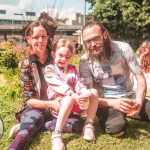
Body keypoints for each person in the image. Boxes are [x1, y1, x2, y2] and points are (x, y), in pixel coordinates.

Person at [9, 21, 85, 150]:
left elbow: (71, 78)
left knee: (77, 124)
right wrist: (49, 104)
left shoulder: (56, 55)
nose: (40, 41)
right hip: (38, 107)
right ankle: (28, 125)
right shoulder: (27, 63)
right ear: (28, 39)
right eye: (36, 37)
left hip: (58, 108)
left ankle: (41, 125)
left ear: (48, 37)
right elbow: (29, 100)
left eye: (44, 36)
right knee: (24, 134)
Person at [79, 21, 150, 138]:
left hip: (129, 97)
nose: (92, 44)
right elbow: (90, 96)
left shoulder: (123, 48)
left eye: (96, 38)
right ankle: (118, 118)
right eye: (87, 41)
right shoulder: (84, 61)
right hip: (106, 103)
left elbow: (140, 79)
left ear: (105, 35)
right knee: (117, 129)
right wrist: (114, 103)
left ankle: (125, 113)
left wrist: (139, 101)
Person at [44, 38, 99, 150]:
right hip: (60, 103)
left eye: (67, 56)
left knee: (94, 92)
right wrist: (74, 95)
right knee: (69, 98)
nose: (63, 59)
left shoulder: (73, 69)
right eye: (60, 55)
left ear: (71, 57)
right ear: (53, 54)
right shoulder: (50, 69)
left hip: (75, 101)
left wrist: (84, 93)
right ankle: (56, 134)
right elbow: (58, 84)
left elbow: (78, 82)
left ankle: (89, 125)